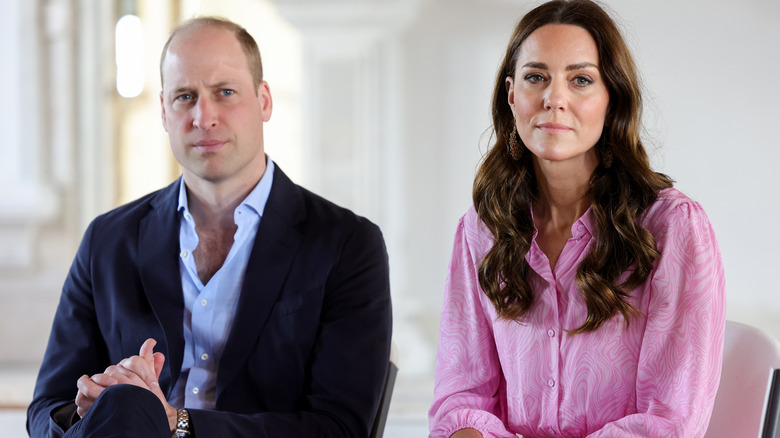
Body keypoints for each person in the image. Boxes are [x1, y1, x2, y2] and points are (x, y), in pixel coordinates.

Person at [27, 16, 392, 438]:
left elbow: (340, 429)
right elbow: (45, 410)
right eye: (185, 96)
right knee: (123, 404)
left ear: (264, 100)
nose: (204, 116)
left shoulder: (346, 244)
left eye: (225, 92)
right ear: (164, 111)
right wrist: (91, 407)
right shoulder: (107, 241)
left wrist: (176, 423)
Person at [428, 1, 725, 437]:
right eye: (536, 77)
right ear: (512, 95)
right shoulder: (481, 229)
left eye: (580, 79)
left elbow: (669, 422)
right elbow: (460, 400)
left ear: (612, 98)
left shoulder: (674, 228)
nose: (554, 99)